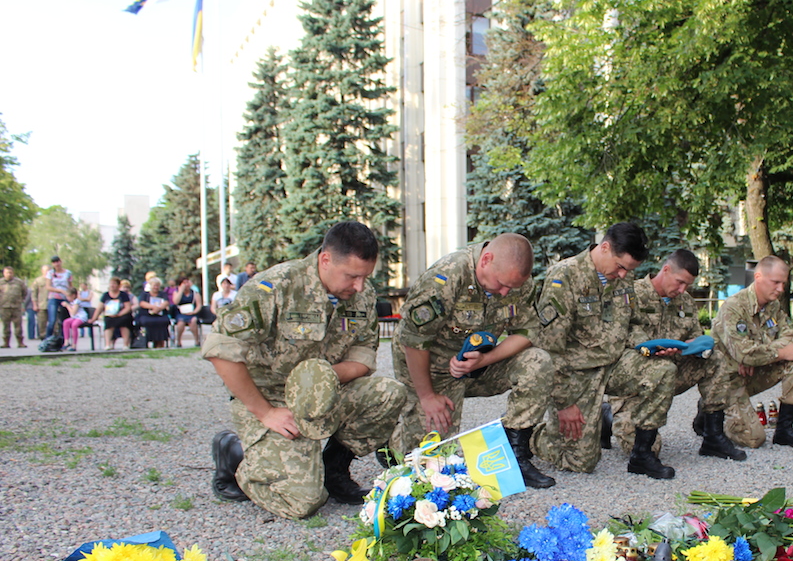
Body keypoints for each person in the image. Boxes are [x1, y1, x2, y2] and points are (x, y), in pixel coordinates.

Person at [201, 221, 407, 520]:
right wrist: (264, 413)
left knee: (388, 393)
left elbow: (363, 359)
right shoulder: (277, 286)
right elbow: (221, 350)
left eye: (365, 276)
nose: (360, 286)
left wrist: (318, 380)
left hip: (325, 393)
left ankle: (334, 470)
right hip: (272, 400)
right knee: (303, 502)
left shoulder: (361, 295)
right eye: (352, 276)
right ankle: (236, 455)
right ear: (325, 260)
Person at [391, 233, 556, 488]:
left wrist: (484, 360)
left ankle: (516, 454)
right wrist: (426, 397)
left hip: (477, 365)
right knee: (431, 470)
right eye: (501, 284)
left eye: (510, 288)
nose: (505, 292)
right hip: (432, 372)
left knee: (538, 361)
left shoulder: (517, 280)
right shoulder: (446, 277)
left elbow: (528, 332)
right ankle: (394, 439)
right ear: (486, 260)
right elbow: (413, 340)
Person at [531, 222, 678, 479]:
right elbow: (549, 348)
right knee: (580, 462)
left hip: (615, 364)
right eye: (621, 267)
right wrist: (565, 403)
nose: (623, 275)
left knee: (663, 370)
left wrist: (647, 345)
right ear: (605, 247)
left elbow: (632, 323)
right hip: (577, 374)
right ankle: (525, 432)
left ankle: (642, 456)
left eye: (629, 270)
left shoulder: (624, 276)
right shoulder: (564, 276)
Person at [605, 249, 747, 462]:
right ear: (666, 269)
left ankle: (713, 437)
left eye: (688, 285)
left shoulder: (685, 302)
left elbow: (696, 337)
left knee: (715, 359)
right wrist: (656, 349)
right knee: (651, 449)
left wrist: (693, 345)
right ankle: (607, 417)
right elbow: (622, 340)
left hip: (671, 373)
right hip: (635, 383)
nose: (682, 290)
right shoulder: (631, 295)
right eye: (680, 282)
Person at [706, 255, 793, 451]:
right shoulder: (734, 307)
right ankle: (710, 412)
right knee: (753, 440)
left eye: (783, 283)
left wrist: (754, 356)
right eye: (776, 282)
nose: (781, 289)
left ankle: (784, 430)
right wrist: (770, 354)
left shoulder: (773, 306)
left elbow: (791, 338)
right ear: (758, 276)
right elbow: (743, 352)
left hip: (752, 372)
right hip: (727, 380)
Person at [90, 277, 133, 350]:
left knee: (125, 321)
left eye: (114, 284)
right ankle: (108, 344)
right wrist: (93, 318)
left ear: (118, 285)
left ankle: (125, 344)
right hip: (110, 315)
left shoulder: (123, 295)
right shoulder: (105, 295)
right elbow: (100, 308)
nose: (112, 285)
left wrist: (119, 314)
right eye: (111, 284)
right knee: (108, 321)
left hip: (121, 314)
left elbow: (128, 307)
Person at [138, 278, 172, 348]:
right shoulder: (145, 294)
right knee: (146, 321)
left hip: (160, 314)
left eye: (157, 285)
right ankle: (146, 342)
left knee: (163, 321)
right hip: (147, 315)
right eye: (154, 285)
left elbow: (166, 302)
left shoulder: (163, 294)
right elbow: (142, 303)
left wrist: (159, 308)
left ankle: (160, 343)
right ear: (150, 286)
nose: (156, 287)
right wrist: (153, 307)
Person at [0, 267, 28, 348]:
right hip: (4, 307)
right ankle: (6, 342)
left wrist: (21, 300)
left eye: (10, 272)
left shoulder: (19, 282)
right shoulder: (1, 282)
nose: (9, 274)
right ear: (4, 273)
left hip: (16, 307)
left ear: (13, 273)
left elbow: (24, 292)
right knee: (6, 326)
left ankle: (20, 342)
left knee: (18, 325)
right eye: (7, 272)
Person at [46, 256, 74, 338]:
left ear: (60, 262)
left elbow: (70, 287)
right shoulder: (50, 273)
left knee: (64, 321)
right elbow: (48, 287)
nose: (56, 264)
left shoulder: (68, 273)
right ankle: (47, 339)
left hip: (65, 298)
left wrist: (71, 296)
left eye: (58, 262)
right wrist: (60, 291)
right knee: (52, 320)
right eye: (54, 262)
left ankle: (63, 340)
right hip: (54, 297)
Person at [171, 277, 203, 347]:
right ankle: (178, 341)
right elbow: (176, 302)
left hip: (192, 313)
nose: (187, 284)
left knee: (193, 321)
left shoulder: (195, 293)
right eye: (184, 283)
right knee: (181, 323)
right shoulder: (176, 292)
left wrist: (194, 312)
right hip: (181, 313)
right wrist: (181, 291)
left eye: (187, 282)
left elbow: (199, 305)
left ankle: (197, 341)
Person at [30, 265, 49, 340]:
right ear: (42, 271)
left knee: (55, 324)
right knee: (42, 323)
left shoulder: (54, 279)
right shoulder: (38, 281)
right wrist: (35, 305)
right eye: (46, 270)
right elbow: (34, 293)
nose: (47, 272)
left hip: (53, 305)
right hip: (42, 305)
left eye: (49, 270)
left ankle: (54, 339)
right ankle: (43, 338)